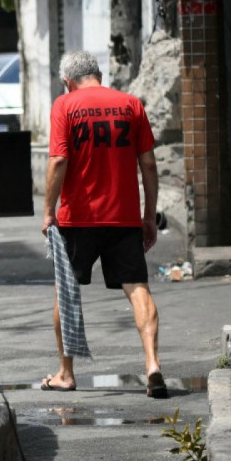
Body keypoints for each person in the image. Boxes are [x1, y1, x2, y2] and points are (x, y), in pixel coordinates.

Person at [40, 50, 166, 398]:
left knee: (66, 294)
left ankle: (66, 373)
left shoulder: (65, 106)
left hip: (78, 218)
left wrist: (49, 210)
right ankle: (153, 364)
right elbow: (149, 166)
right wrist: (148, 216)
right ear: (98, 73)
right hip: (124, 216)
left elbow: (59, 160)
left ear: (68, 82)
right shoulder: (131, 105)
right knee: (137, 288)